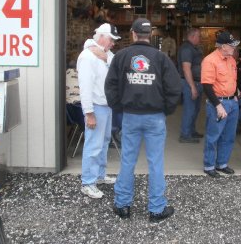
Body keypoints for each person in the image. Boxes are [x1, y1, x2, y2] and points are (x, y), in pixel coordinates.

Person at [105, 18, 181, 222]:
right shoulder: (161, 58)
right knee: (155, 162)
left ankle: (123, 206)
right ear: (150, 35)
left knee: (127, 160)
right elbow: (175, 88)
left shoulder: (121, 56)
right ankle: (156, 210)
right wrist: (166, 110)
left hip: (130, 116)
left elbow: (110, 86)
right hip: (155, 117)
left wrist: (119, 108)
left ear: (132, 34)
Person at [77, 23, 121, 198]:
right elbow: (85, 88)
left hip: (106, 106)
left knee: (103, 143)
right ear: (102, 37)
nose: (113, 43)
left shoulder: (104, 53)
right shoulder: (88, 56)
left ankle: (99, 176)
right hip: (96, 107)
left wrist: (105, 56)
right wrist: (89, 113)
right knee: (93, 145)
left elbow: (116, 65)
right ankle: (88, 183)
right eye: (112, 39)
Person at [201, 31, 240, 178]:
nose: (234, 49)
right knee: (213, 136)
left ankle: (222, 164)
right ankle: (209, 165)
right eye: (232, 46)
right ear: (223, 46)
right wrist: (218, 105)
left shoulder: (231, 60)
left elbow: (233, 80)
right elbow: (206, 86)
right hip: (218, 103)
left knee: (228, 136)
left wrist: (235, 96)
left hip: (232, 102)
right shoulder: (210, 60)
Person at [177, 28, 204, 143]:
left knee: (195, 109)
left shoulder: (193, 48)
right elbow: (186, 68)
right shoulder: (187, 49)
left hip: (196, 82)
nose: (200, 39)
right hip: (189, 83)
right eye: (199, 36)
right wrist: (192, 87)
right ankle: (185, 134)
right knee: (190, 109)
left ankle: (191, 130)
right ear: (193, 36)